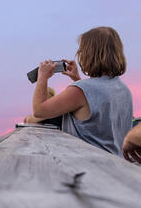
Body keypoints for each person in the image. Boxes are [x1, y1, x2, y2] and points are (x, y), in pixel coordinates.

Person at [32, 27, 133, 157]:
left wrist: (42, 77)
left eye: (81, 51)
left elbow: (40, 111)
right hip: (115, 167)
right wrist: (76, 79)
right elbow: (92, 103)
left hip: (88, 168)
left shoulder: (81, 90)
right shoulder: (124, 90)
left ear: (88, 54)